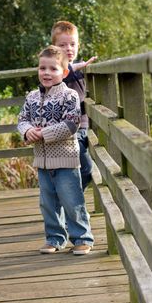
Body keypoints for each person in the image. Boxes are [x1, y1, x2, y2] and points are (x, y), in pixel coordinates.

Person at [17, 45, 94, 255]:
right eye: (43, 68)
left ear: (65, 72)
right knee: (48, 203)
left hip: (66, 160)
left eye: (53, 69)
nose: (47, 73)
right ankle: (55, 238)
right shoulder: (31, 97)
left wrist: (44, 133)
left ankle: (82, 238)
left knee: (72, 201)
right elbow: (22, 119)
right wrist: (28, 131)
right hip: (42, 162)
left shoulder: (69, 96)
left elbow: (71, 124)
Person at [51, 21, 97, 191]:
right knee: (85, 168)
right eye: (62, 45)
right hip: (67, 129)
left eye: (72, 44)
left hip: (83, 126)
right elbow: (58, 75)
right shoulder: (53, 70)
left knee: (84, 169)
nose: (68, 48)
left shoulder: (82, 69)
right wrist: (74, 67)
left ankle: (70, 198)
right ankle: (69, 198)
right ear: (54, 48)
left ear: (78, 45)